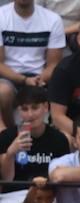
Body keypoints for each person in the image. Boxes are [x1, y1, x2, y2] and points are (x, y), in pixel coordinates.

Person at [0, 85, 67, 203]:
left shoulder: (59, 139)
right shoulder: (6, 137)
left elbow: (61, 178)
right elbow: (7, 179)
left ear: (45, 107)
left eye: (35, 108)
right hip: (14, 196)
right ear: (18, 111)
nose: (30, 114)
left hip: (47, 197)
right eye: (25, 109)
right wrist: (11, 153)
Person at [0, 0, 65, 130]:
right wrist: (23, 80)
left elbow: (54, 64)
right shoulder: (1, 16)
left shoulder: (53, 19)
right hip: (9, 77)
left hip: (39, 78)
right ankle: (9, 133)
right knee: (3, 92)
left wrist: (39, 79)